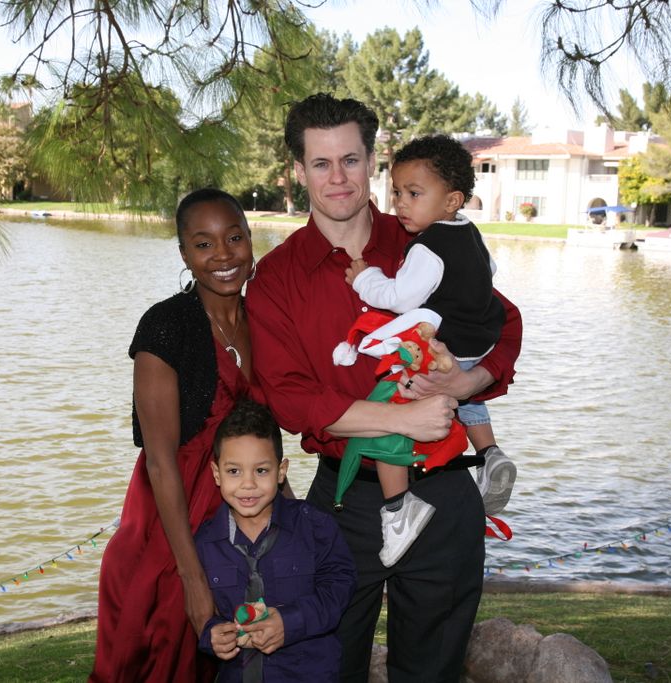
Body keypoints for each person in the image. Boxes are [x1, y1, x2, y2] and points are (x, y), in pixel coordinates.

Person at [246, 93, 522, 682]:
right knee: (329, 666)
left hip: (444, 495)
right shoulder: (276, 279)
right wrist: (399, 420)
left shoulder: (424, 240)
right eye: (321, 164)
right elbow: (290, 398)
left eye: (350, 159)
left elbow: (505, 323)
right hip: (344, 503)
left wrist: (464, 379)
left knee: (431, 671)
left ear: (372, 160)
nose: (338, 177)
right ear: (299, 170)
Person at [90, 188, 261, 682]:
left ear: (251, 240)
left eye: (234, 237)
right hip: (170, 531)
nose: (223, 255)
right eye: (203, 244)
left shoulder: (263, 320)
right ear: (184, 253)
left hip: (238, 519)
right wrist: (192, 578)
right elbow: (161, 460)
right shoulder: (165, 326)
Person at [344, 134, 518, 564]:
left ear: (451, 200)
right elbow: (489, 275)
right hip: (479, 342)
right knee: (463, 393)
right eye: (398, 193)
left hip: (448, 345)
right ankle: (491, 454)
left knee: (390, 407)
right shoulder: (470, 233)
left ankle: (399, 508)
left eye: (415, 194)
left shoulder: (428, 245)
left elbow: (401, 297)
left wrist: (364, 277)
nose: (402, 203)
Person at [194, 398, 357, 682]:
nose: (248, 483)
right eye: (234, 471)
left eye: (261, 470)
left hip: (308, 673)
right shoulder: (205, 543)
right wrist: (213, 636)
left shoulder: (316, 527)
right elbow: (208, 613)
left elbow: (339, 590)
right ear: (216, 474)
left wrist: (289, 622)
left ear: (281, 471)